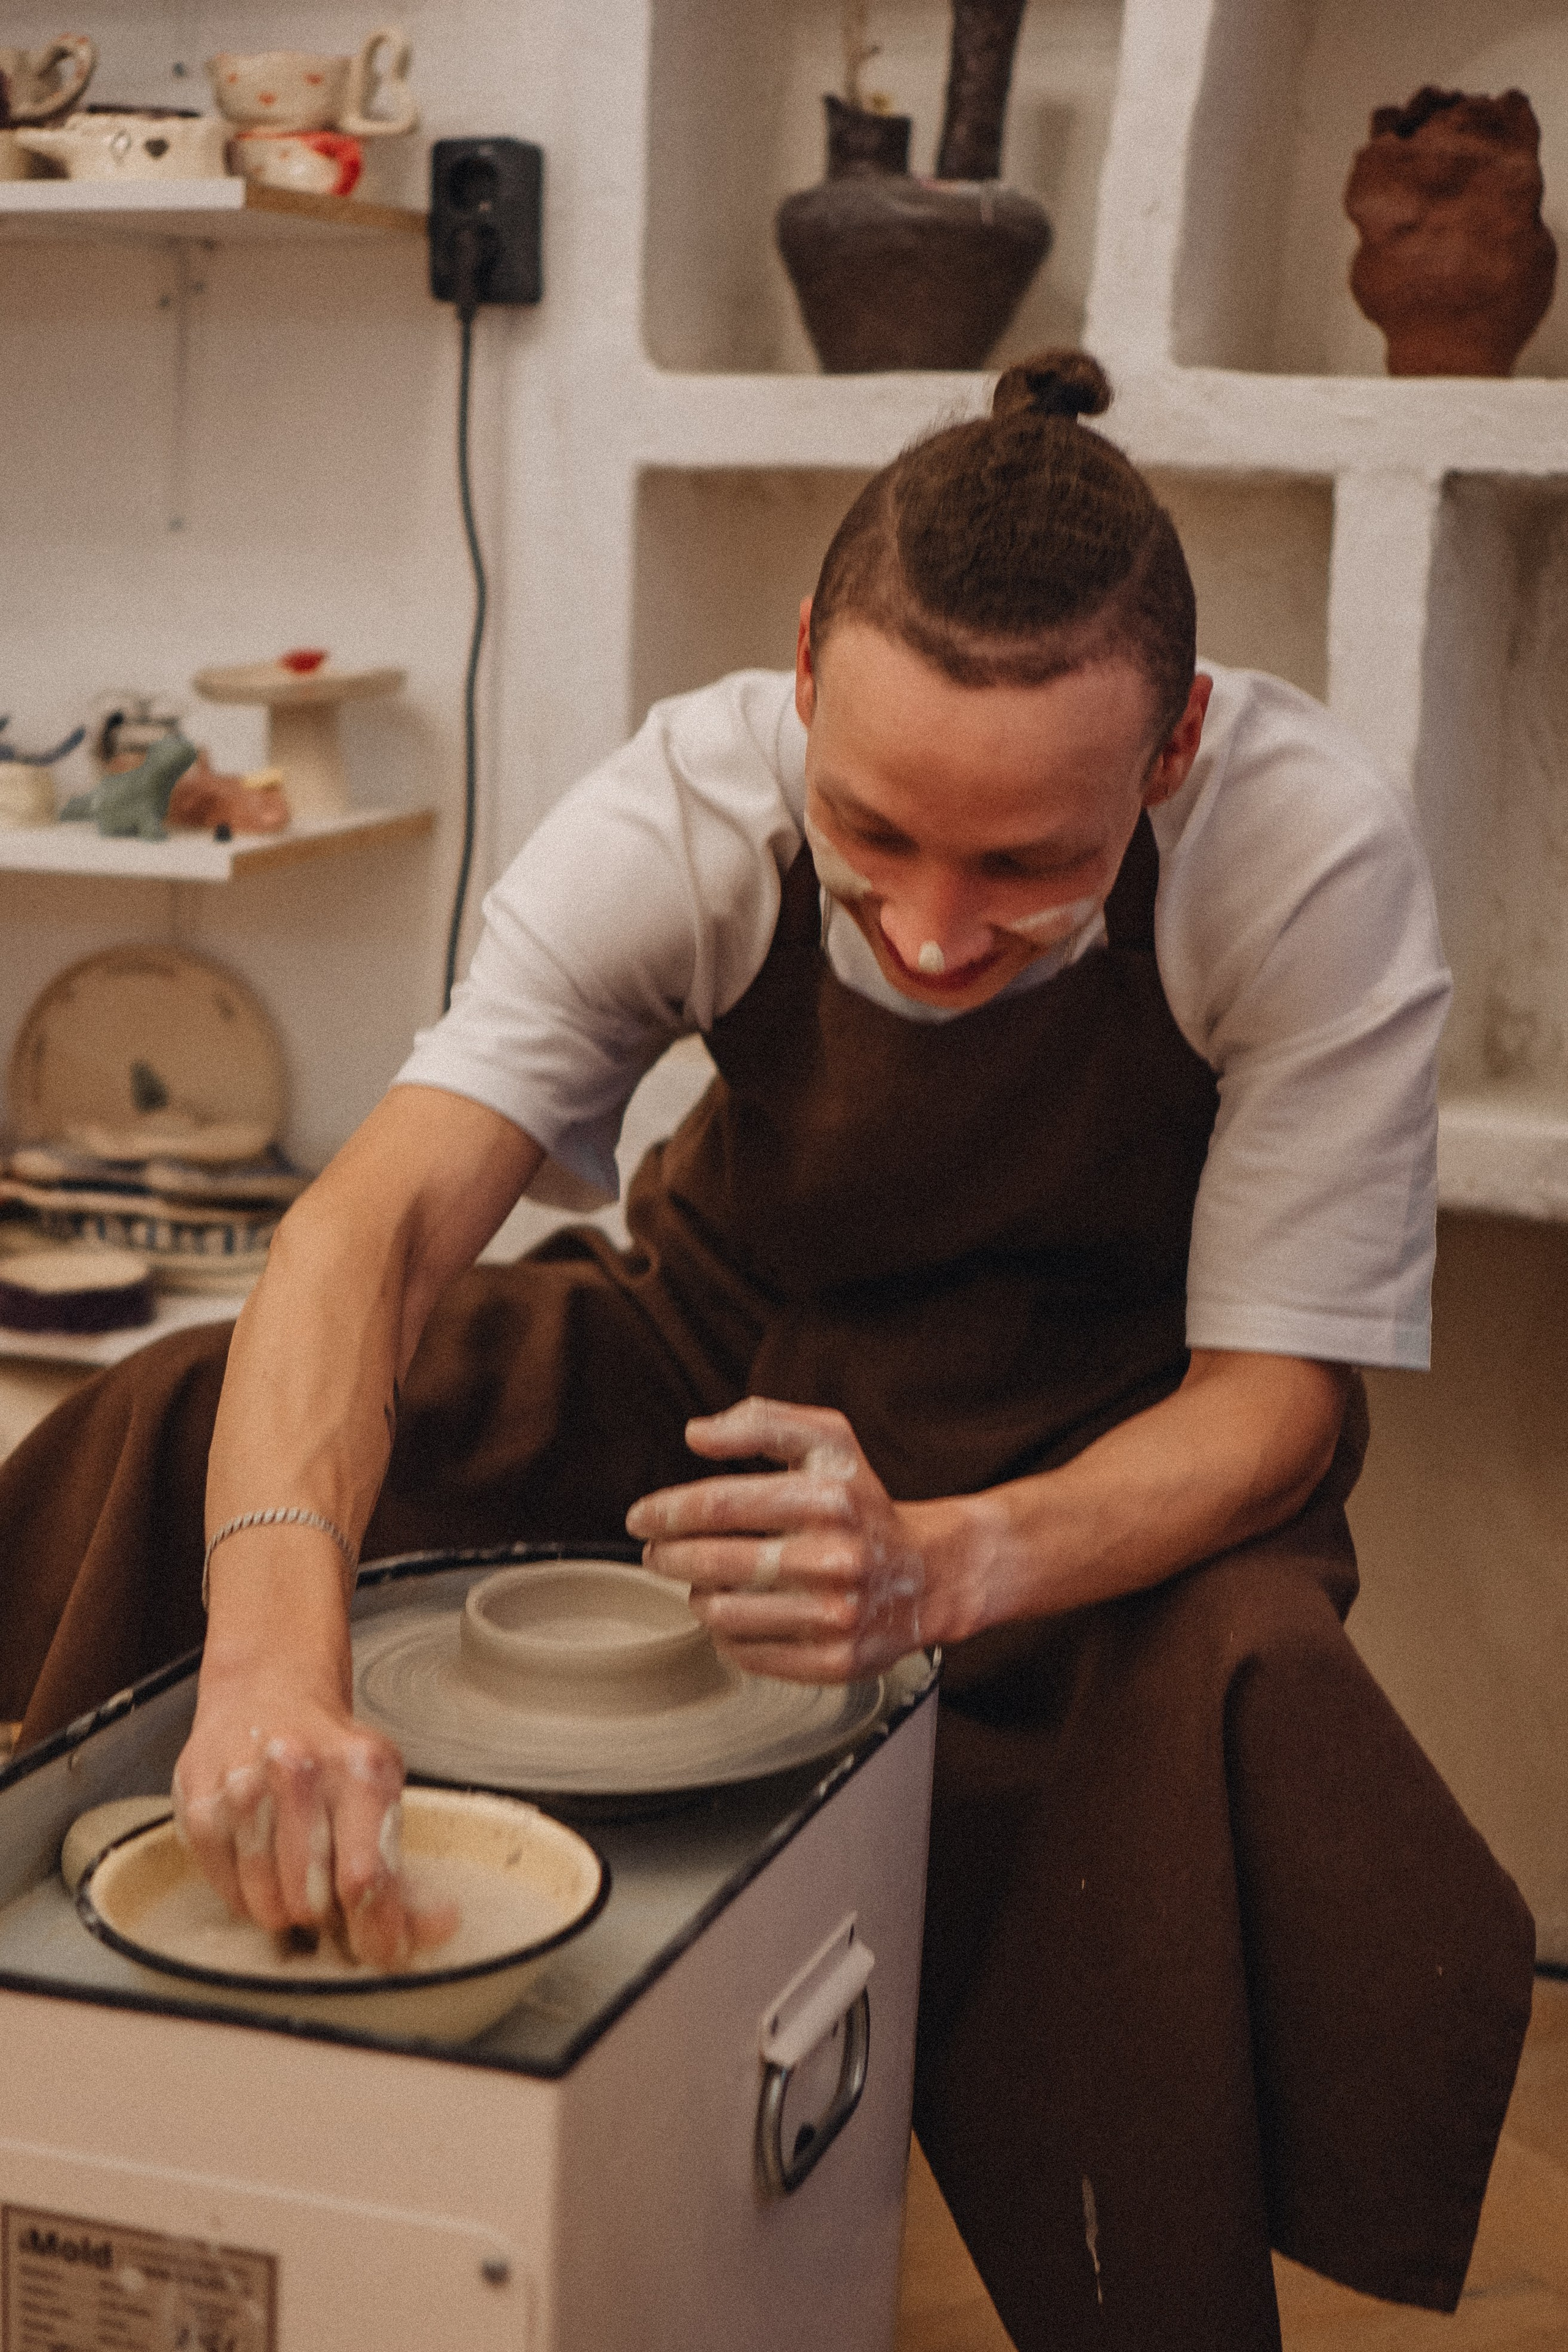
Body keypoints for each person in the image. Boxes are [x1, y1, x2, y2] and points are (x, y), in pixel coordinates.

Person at [0, 353, 1532, 2351]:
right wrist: (278, 1658)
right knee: (192, 1413)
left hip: (1100, 1451)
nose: (928, 931)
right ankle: (146, 2109)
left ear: (1174, 753)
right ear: (805, 670)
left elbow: (1280, 1403)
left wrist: (947, 1566)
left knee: (1244, 1668)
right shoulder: (693, 800)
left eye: (1029, 872)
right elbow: (361, 1240)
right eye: (877, 836)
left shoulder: (1302, 852)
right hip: (721, 1367)